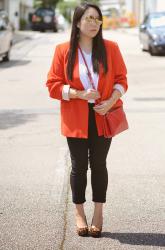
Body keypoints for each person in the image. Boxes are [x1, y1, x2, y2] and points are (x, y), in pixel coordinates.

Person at [45, 2, 128, 238]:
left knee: (99, 165)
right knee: (79, 166)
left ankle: (99, 212)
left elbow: (122, 79)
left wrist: (111, 100)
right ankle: (79, 212)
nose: (94, 23)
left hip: (103, 116)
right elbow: (52, 85)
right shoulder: (63, 50)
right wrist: (78, 94)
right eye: (89, 18)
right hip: (75, 118)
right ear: (77, 22)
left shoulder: (111, 48)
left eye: (97, 19)